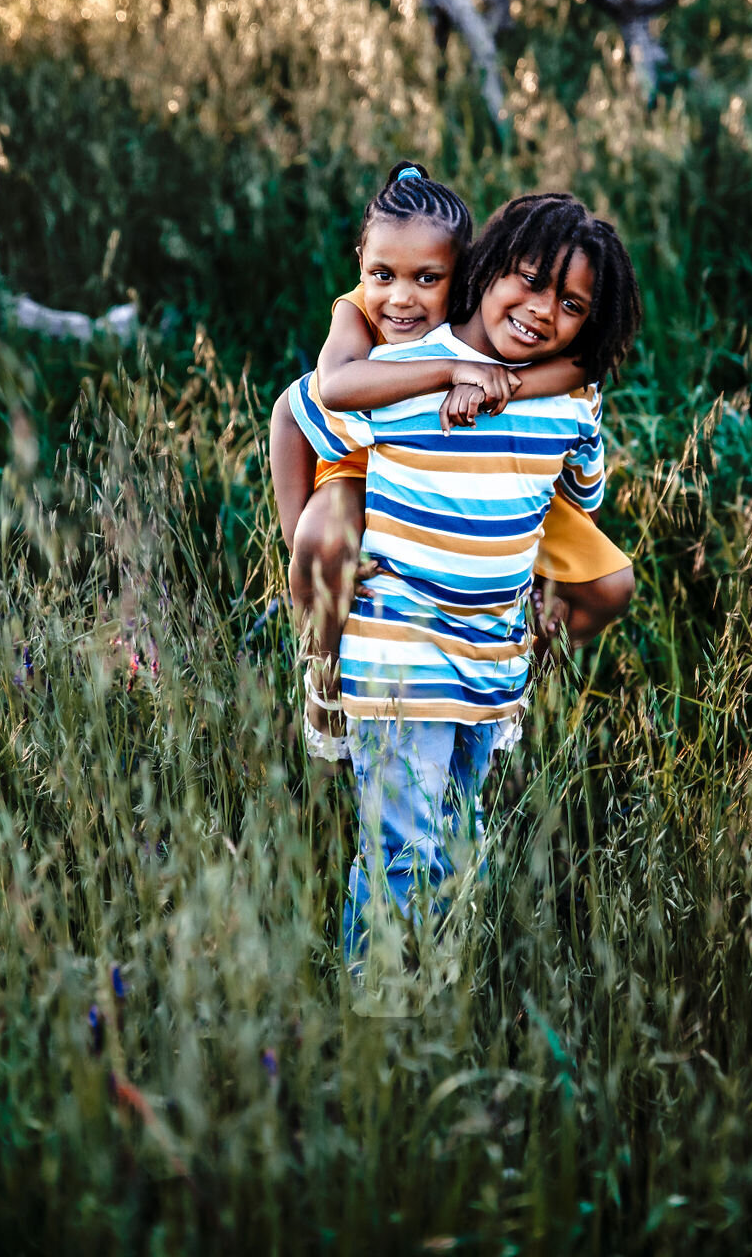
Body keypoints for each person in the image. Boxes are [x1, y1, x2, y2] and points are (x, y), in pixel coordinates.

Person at [285, 190, 642, 972]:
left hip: (486, 663)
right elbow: (304, 408)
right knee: (403, 851)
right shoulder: (401, 374)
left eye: (571, 302)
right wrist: (299, 539)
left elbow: (577, 500)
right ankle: (379, 1013)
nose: (543, 310)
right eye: (528, 280)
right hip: (401, 654)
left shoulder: (571, 401)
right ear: (485, 272)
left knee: (455, 841)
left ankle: (431, 1006)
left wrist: (534, 398)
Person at [269, 166, 633, 761]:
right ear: (363, 263)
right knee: (320, 539)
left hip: (503, 461)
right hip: (366, 449)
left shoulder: (487, 312)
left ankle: (502, 678)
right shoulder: (364, 310)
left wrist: (502, 386)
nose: (402, 296)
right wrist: (300, 556)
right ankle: (327, 673)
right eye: (382, 274)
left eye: (427, 277)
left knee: (610, 584)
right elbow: (306, 403)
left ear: (465, 269)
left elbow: (583, 366)